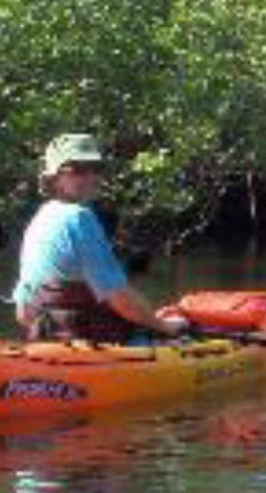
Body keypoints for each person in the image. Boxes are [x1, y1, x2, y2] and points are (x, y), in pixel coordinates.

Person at [13, 133, 186, 343]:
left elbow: (23, 313)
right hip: (94, 346)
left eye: (95, 169)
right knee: (179, 336)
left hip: (48, 342)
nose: (91, 177)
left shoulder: (39, 220)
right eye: (78, 170)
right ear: (55, 178)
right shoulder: (80, 218)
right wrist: (164, 326)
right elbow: (119, 298)